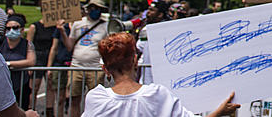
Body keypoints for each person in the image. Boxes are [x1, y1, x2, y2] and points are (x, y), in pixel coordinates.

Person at [80, 32, 238, 117]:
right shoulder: (156, 94)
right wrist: (219, 112)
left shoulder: (96, 98)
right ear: (135, 61)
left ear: (105, 69)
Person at [59, 0, 111, 117]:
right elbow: (69, 46)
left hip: (95, 68)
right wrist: (62, 31)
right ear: (88, 9)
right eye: (93, 7)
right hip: (76, 67)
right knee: (74, 99)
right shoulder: (78, 23)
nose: (95, 10)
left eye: (98, 8)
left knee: (96, 101)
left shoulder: (106, 25)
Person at [0, 13, 37, 109]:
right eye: (8, 28)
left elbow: (31, 61)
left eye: (15, 27)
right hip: (2, 84)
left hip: (21, 85)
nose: (11, 30)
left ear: (22, 29)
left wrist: (9, 64)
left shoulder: (27, 44)